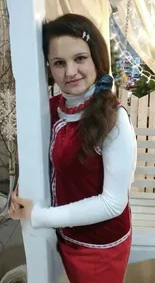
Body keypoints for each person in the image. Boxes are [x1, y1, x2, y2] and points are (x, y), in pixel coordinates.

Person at [9, 14, 137, 283]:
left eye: (79, 58)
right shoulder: (52, 108)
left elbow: (113, 203)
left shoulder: (114, 119)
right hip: (60, 235)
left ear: (96, 58)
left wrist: (40, 216)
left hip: (98, 246)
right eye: (59, 63)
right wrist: (22, 190)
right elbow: (44, 160)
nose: (69, 72)